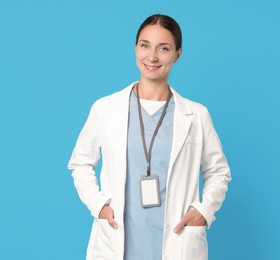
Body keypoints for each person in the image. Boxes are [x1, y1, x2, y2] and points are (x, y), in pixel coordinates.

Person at [68, 14, 231, 260]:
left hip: (178, 243)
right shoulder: (105, 108)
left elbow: (219, 172)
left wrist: (203, 211)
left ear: (178, 54)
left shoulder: (196, 115)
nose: (152, 57)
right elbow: (80, 163)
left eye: (163, 48)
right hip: (118, 242)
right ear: (135, 48)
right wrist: (98, 205)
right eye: (145, 45)